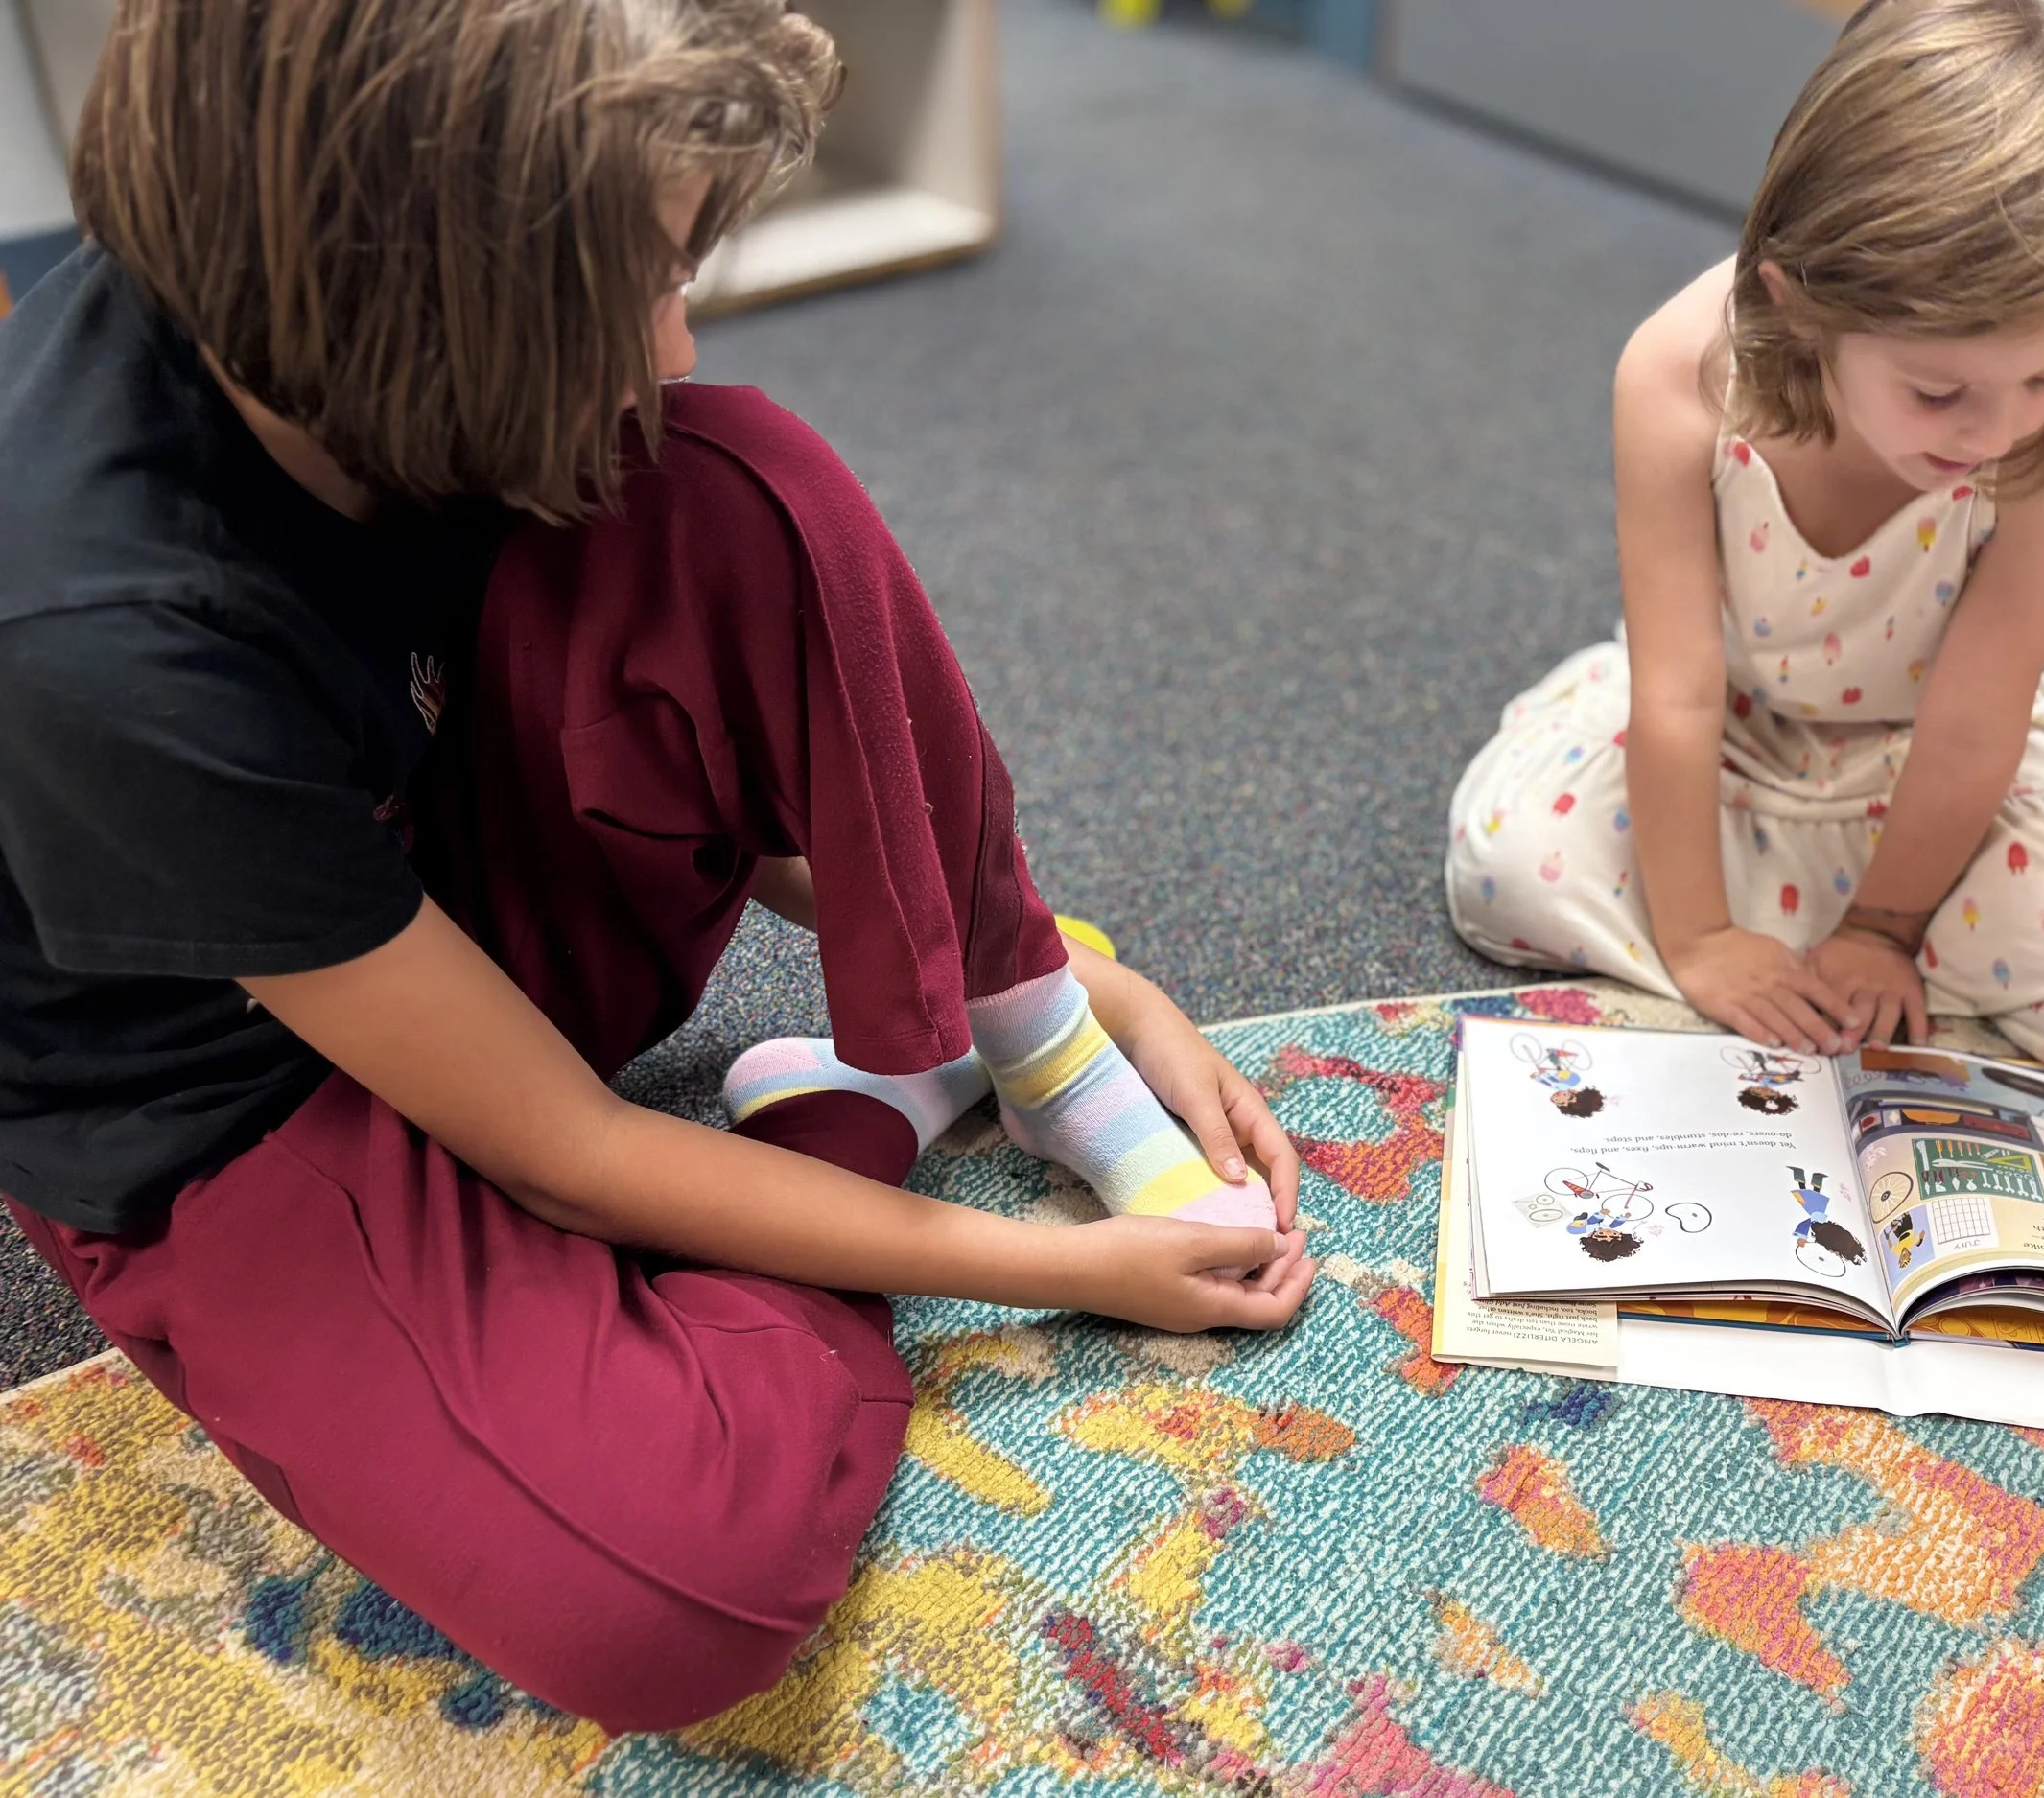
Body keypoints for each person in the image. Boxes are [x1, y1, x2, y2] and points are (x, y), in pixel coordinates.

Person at [0, 0, 1314, 1734]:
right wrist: (1058, 1274)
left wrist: (1068, 990)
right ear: (426, 307)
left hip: (417, 885)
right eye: (645, 281)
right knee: (670, 1600)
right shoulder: (107, 629)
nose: (674, 339)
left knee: (740, 481)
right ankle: (850, 1106)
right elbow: (566, 1151)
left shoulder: (363, 322)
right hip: (230, 1108)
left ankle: (1017, 1047)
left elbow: (723, 749)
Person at [1445, 0, 2044, 1090]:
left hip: (1921, 768)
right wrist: (1698, 938)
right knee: (1508, 867)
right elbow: (1682, 696)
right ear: (1798, 308)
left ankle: (1820, 914)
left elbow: (1976, 718)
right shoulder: (1677, 373)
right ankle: (1750, 912)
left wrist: (1882, 929)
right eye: (1939, 392)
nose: (1997, 433)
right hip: (1722, 732)